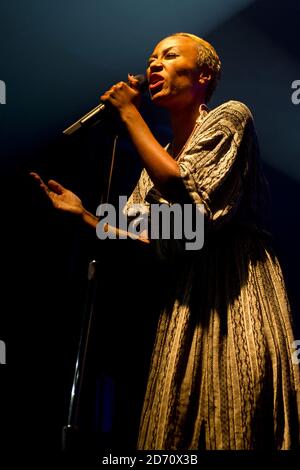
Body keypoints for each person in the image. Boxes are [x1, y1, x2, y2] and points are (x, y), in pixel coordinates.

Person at [31, 32, 300, 450]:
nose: (154, 64)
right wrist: (84, 216)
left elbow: (186, 191)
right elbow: (144, 240)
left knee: (235, 416)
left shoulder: (231, 117)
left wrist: (129, 115)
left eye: (169, 56)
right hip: (183, 303)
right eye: (152, 57)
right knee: (174, 431)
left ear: (204, 76)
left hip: (234, 292)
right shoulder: (155, 163)